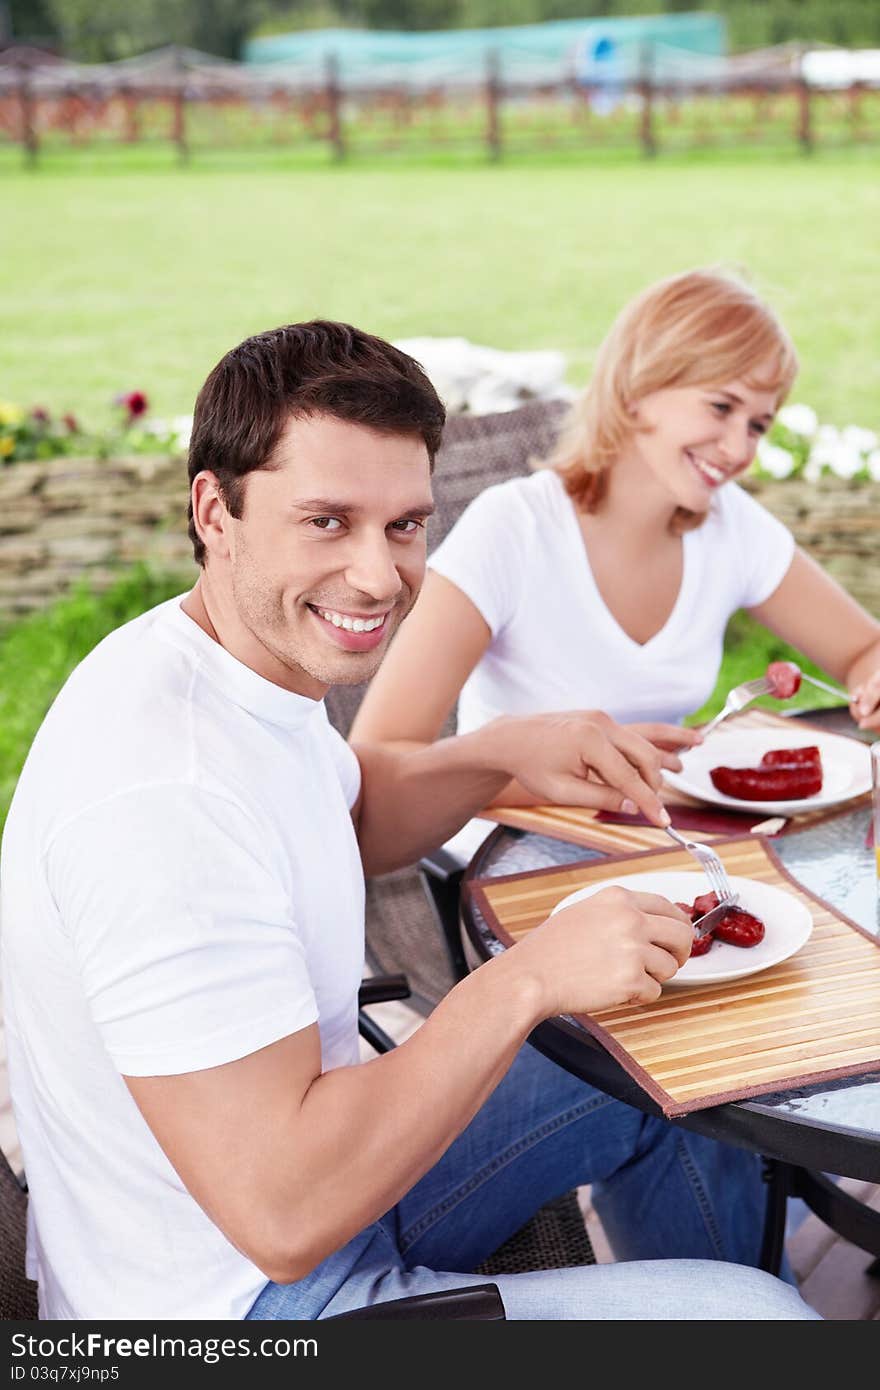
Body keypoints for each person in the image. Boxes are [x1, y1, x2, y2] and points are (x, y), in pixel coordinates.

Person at [0, 321, 817, 1321]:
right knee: (765, 1323)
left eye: (403, 525)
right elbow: (284, 1216)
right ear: (215, 509)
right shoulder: (168, 799)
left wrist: (496, 753)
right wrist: (525, 978)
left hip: (314, 1187)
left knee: (661, 1057)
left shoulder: (229, 666)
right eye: (327, 521)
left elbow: (350, 823)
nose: (381, 577)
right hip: (243, 1302)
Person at [352, 268, 880, 808]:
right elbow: (379, 758)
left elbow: (864, 650)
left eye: (758, 425)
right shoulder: (513, 529)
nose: (738, 448)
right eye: (722, 407)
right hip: (514, 857)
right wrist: (586, 782)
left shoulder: (733, 528)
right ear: (636, 389)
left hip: (666, 841)